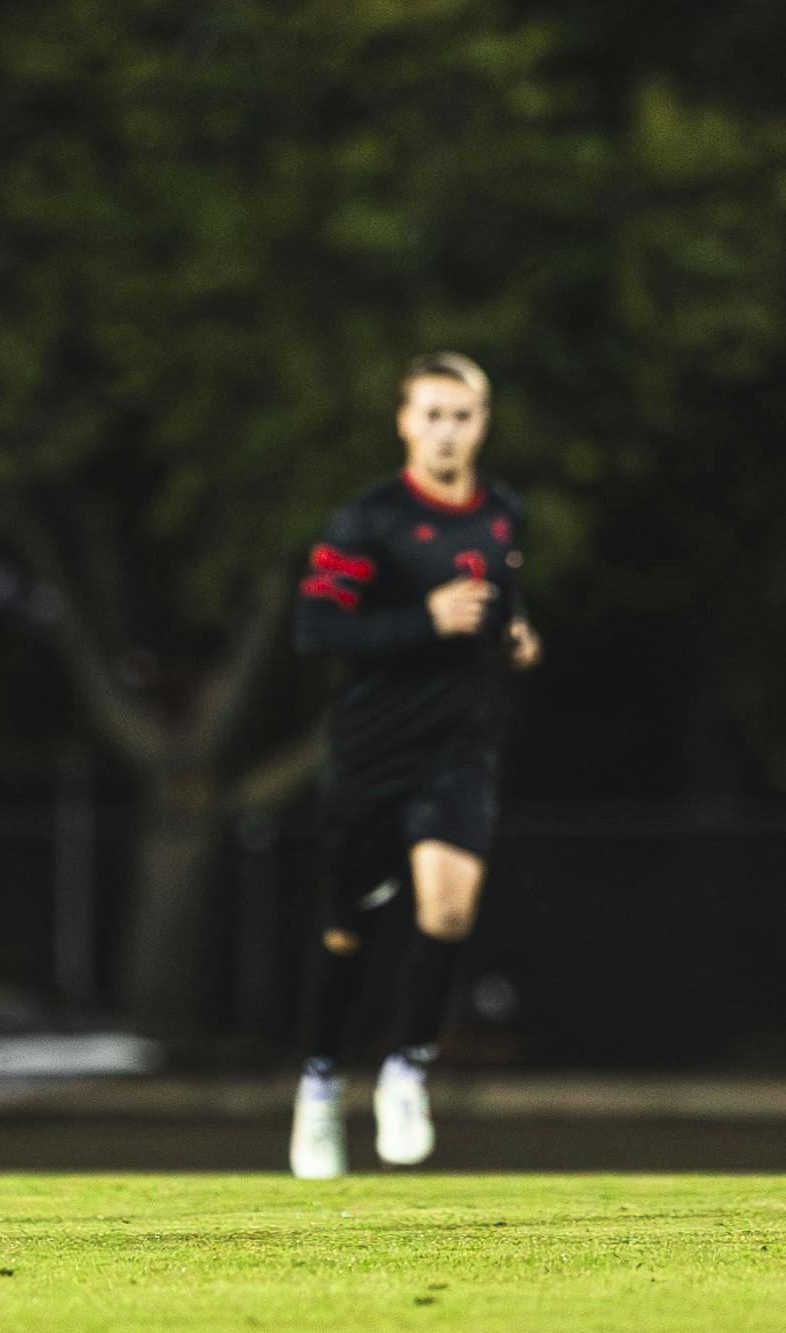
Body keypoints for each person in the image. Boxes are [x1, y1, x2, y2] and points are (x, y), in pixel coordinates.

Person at [288, 351, 542, 1179]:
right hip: (373, 753)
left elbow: (507, 609)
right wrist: (423, 618)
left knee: (447, 910)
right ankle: (322, 1082)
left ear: (483, 421)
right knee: (346, 928)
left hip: (459, 750)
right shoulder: (370, 521)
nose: (446, 430)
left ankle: (407, 1067)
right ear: (404, 420)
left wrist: (517, 638)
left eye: (461, 414)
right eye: (431, 413)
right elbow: (318, 630)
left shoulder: (503, 513)